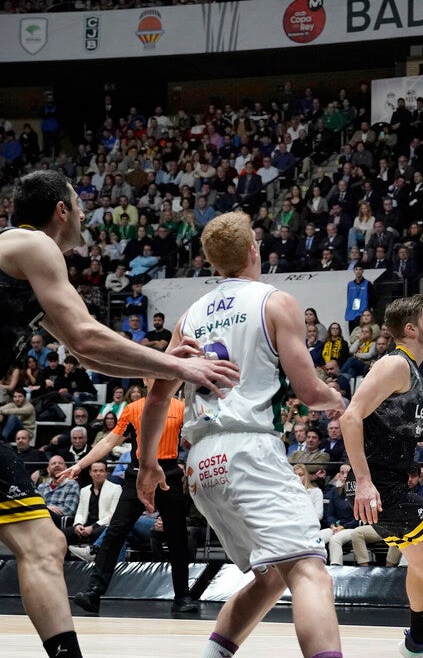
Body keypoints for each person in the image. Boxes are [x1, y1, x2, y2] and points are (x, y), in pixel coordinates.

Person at [0, 170, 238, 658]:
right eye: (79, 204)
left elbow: (90, 355)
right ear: (61, 211)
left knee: (43, 543)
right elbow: (88, 339)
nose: (86, 214)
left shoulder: (22, 268)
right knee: (42, 544)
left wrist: (168, 358)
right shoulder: (31, 244)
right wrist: (181, 365)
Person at [135, 211, 345, 658]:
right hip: (249, 448)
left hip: (200, 464)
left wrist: (149, 462)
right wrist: (341, 400)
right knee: (310, 570)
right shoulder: (275, 302)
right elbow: (309, 393)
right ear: (254, 250)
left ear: (213, 263)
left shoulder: (188, 318)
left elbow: (156, 398)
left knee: (271, 576)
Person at [337, 294, 423, 658]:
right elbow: (350, 417)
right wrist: (364, 482)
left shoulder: (413, 372)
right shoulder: (395, 365)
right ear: (412, 328)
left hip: (388, 485)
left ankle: (417, 637)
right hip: (380, 488)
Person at [65, 382, 196, 614]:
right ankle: (94, 591)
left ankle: (182, 596)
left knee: (177, 535)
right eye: (150, 374)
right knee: (115, 531)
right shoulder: (133, 408)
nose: (155, 378)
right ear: (145, 381)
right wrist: (80, 464)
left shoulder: (181, 407)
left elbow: (195, 439)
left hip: (169, 474)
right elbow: (108, 441)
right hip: (137, 475)